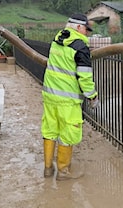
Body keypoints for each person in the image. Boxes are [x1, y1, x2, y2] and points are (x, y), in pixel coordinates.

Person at [41, 13, 99, 181]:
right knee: (68, 134)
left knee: (50, 129)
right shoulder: (80, 46)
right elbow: (85, 77)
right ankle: (63, 171)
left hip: (50, 95)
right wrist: (92, 96)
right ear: (79, 27)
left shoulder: (57, 39)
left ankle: (47, 168)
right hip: (68, 99)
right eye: (86, 29)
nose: (87, 33)